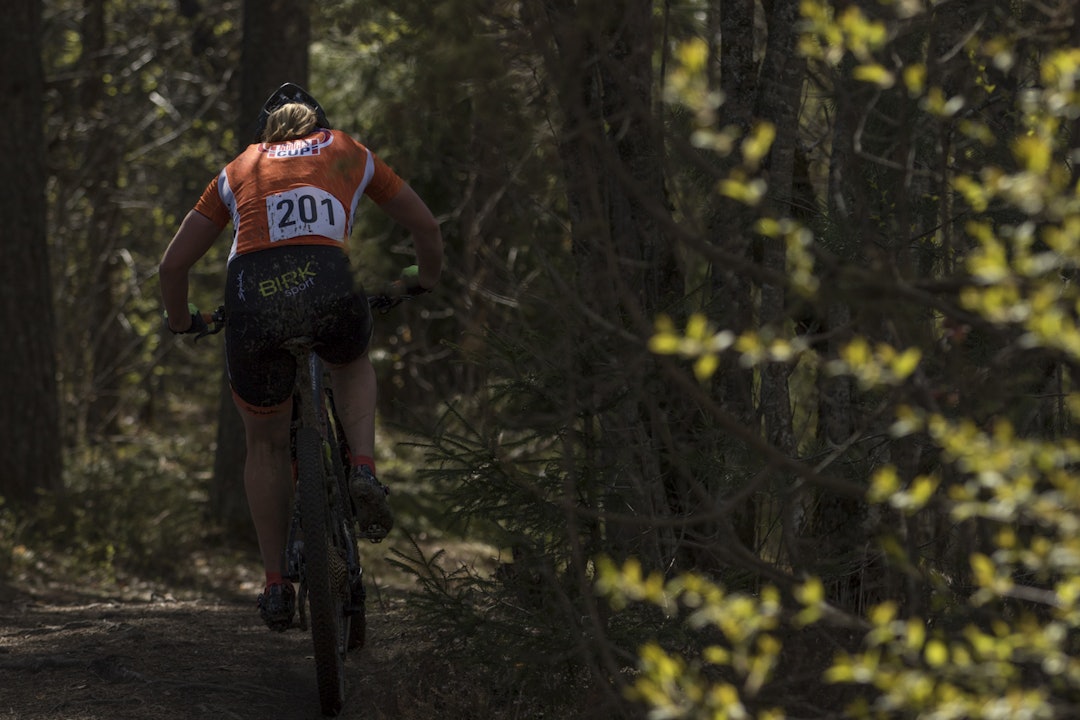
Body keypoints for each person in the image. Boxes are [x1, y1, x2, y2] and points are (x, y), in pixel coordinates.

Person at [159, 83, 443, 631]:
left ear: (264, 134)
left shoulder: (238, 168)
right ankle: (362, 468)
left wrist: (182, 322)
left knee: (263, 443)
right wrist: (422, 282)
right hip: (331, 284)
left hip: (253, 298)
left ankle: (272, 584)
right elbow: (426, 227)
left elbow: (173, 267)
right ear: (319, 125)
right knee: (351, 363)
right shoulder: (347, 151)